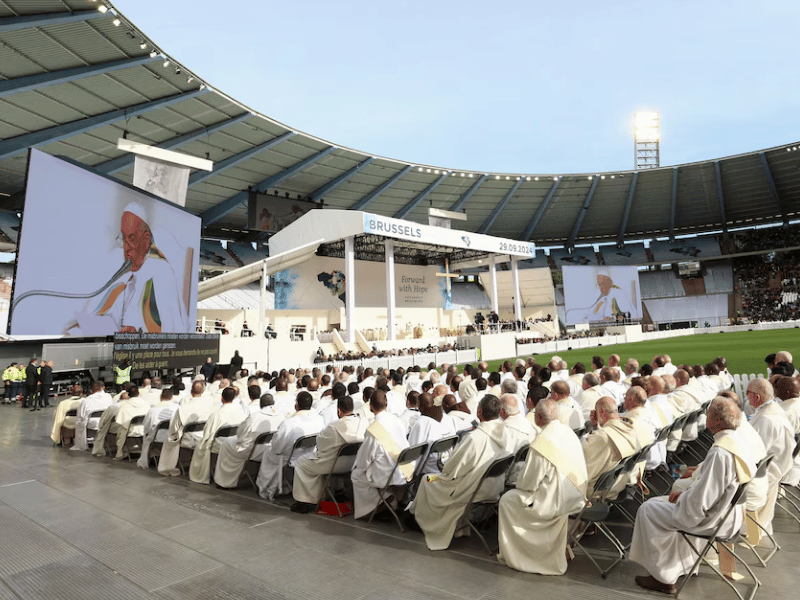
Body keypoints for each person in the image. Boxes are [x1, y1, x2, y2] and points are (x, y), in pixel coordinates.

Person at [629, 397, 756, 594]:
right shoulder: (737, 440)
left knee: (647, 509)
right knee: (667, 503)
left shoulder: (721, 452)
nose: (706, 417)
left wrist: (682, 498)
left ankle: (662, 578)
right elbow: (709, 491)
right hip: (730, 514)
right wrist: (686, 494)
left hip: (713, 520)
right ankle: (682, 567)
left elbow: (702, 501)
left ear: (718, 421)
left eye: (710, 414)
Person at [409, 394, 512, 551]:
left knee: (427, 480)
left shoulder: (475, 438)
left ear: (479, 413)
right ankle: (459, 526)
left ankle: (423, 521)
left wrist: (445, 467)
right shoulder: (504, 432)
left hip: (467, 487)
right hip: (493, 486)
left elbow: (451, 469)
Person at [65, 203, 188, 334]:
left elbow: (172, 328)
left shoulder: (160, 271)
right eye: (124, 238)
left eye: (132, 238)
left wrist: (139, 332)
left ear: (146, 240)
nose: (126, 247)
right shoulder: (124, 274)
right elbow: (113, 318)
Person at [497, 400, 588, 575]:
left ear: (538, 417)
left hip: (554, 501)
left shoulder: (543, 441)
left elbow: (528, 483)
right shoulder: (567, 431)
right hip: (576, 494)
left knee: (507, 500)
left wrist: (519, 483)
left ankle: (521, 554)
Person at [290, 395, 369, 512]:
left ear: (339, 410)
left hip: (333, 464)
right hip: (353, 463)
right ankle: (334, 492)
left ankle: (305, 501)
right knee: (314, 461)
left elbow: (321, 444)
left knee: (301, 462)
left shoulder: (334, 426)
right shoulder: (363, 421)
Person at [351, 390, 411, 519]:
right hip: (406, 467)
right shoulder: (397, 420)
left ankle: (381, 501)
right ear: (386, 404)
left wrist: (359, 468)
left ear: (370, 406)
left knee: (356, 474)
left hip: (388, 472)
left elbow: (364, 460)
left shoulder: (374, 428)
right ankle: (385, 501)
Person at [256, 391, 324, 499]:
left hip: (289, 458)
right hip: (310, 454)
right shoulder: (319, 420)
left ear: (296, 405)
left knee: (268, 453)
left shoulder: (289, 423)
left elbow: (277, 448)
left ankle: (266, 488)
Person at [213, 392, 285, 488]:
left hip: (251, 451)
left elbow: (240, 434)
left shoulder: (254, 417)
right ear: (273, 403)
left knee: (226, 443)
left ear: (260, 404)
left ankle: (224, 481)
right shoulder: (281, 416)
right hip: (269, 449)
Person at [188, 387, 247, 484]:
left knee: (201, 444)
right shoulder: (241, 412)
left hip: (220, 445)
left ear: (222, 398)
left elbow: (207, 434)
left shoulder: (217, 414)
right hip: (235, 443)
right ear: (234, 398)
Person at [157, 381, 217, 476]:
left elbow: (174, 427)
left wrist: (174, 434)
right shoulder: (210, 405)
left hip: (189, 437)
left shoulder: (183, 407)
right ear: (203, 391)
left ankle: (167, 467)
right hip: (205, 435)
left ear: (191, 391)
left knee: (169, 440)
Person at [136, 388, 179, 469]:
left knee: (147, 435)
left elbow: (146, 426)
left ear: (160, 396)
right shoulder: (177, 408)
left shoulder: (153, 410)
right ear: (172, 397)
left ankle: (150, 456)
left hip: (158, 436)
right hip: (174, 435)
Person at [70, 381, 113, 451]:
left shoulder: (86, 401)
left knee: (80, 421)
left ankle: (82, 443)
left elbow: (81, 415)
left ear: (91, 390)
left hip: (92, 423)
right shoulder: (108, 397)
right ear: (102, 388)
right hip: (106, 422)